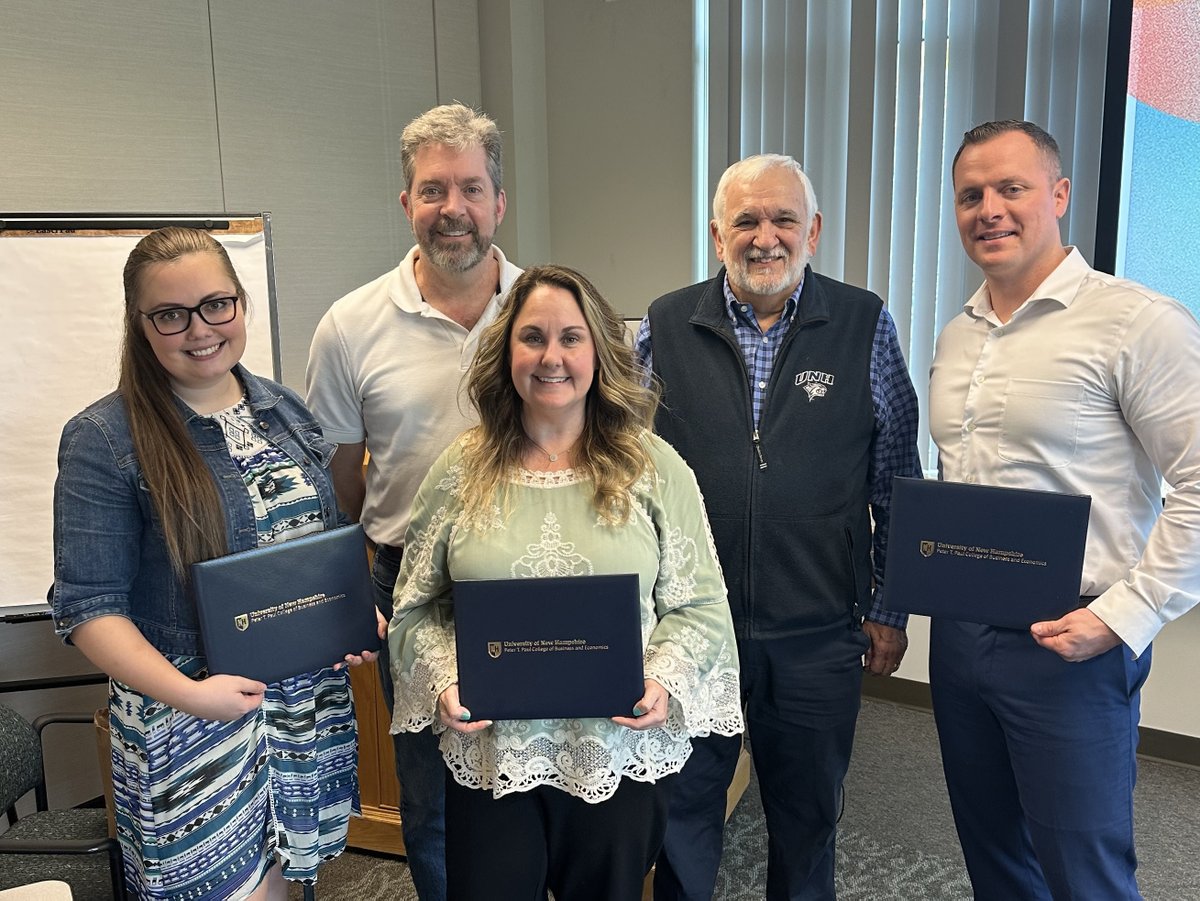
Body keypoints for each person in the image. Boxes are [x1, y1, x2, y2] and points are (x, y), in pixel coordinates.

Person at [387, 264, 744, 901]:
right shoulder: (460, 470)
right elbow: (417, 608)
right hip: (494, 755)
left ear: (599, 351)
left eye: (571, 338)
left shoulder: (653, 466)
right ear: (507, 352)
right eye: (533, 338)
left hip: (613, 750)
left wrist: (661, 679)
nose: (552, 357)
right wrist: (443, 680)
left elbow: (700, 605)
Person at [51, 226, 379, 900]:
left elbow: (314, 542)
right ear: (139, 324)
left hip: (299, 713)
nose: (198, 328)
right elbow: (89, 610)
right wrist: (193, 695)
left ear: (240, 304)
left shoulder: (283, 412)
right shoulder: (104, 439)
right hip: (190, 720)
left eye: (216, 304)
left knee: (292, 887)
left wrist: (350, 613)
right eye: (170, 314)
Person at [637, 153, 923, 900]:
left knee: (805, 822)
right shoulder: (664, 327)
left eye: (783, 219)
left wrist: (888, 608)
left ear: (814, 231)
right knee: (683, 816)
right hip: (693, 632)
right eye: (746, 220)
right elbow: (622, 475)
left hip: (818, 631)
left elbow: (896, 478)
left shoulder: (864, 323)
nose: (765, 236)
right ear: (716, 233)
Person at [928, 119, 1200, 900]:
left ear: (1059, 194)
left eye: (1011, 188)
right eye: (970, 195)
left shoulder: (1137, 322)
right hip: (962, 638)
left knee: (1086, 873)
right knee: (994, 858)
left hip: (1073, 643)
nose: (990, 209)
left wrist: (1124, 615)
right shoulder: (957, 334)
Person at [305, 101, 521, 900]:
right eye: (434, 190)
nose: (453, 209)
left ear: (501, 200)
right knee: (430, 796)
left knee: (534, 780)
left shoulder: (546, 311)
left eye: (471, 187)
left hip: (534, 575)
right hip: (412, 585)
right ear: (406, 204)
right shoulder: (350, 325)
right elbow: (339, 475)